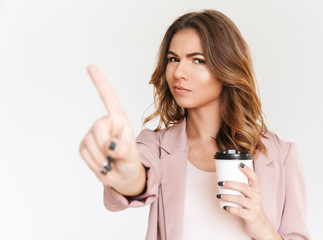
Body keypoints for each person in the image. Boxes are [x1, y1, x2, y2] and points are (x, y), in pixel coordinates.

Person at [79, 9, 310, 240]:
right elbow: (139, 177)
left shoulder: (282, 156)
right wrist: (129, 178)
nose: (179, 72)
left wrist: (262, 227)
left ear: (227, 68)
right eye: (173, 59)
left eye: (197, 60)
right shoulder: (155, 146)